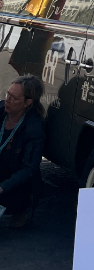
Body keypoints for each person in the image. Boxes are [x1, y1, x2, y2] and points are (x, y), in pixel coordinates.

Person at [0, 76, 46, 227]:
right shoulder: (1, 111)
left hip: (14, 180)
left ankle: (20, 211)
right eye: (8, 94)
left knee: (19, 193)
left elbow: (29, 168)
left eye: (13, 98)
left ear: (28, 102)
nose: (7, 100)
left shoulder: (34, 128)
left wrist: (3, 187)